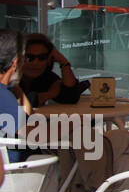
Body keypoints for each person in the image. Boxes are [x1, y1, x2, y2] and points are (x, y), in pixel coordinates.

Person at [17, 33, 85, 108]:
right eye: (29, 57)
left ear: (49, 60)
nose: (35, 63)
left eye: (42, 57)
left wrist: (63, 62)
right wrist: (49, 94)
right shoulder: (7, 78)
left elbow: (71, 97)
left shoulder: (46, 77)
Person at [0, 29, 29, 162]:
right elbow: (32, 133)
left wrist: (16, 87)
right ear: (16, 63)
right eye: (25, 59)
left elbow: (29, 115)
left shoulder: (6, 92)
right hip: (14, 174)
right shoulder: (4, 97)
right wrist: (70, 126)